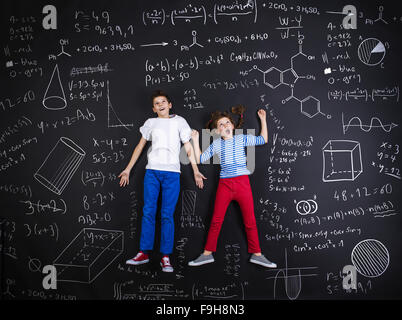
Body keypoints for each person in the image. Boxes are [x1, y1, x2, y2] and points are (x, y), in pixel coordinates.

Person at [119, 90, 206, 272]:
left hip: (172, 173)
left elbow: (188, 148)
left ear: (170, 104)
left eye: (163, 101)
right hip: (152, 172)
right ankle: (143, 253)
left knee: (167, 214)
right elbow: (140, 146)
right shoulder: (151, 123)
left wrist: (196, 170)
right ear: (153, 108)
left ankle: (165, 257)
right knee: (148, 212)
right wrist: (127, 169)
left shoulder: (180, 121)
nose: (161, 105)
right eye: (157, 103)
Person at [188, 105, 277, 268]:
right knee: (216, 219)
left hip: (243, 183)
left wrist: (263, 120)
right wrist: (195, 140)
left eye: (227, 122)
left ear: (233, 126)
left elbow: (263, 139)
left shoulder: (241, 138)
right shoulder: (216, 145)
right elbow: (200, 159)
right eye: (220, 124)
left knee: (250, 220)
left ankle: (257, 254)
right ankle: (207, 254)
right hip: (225, 185)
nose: (224, 126)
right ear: (216, 131)